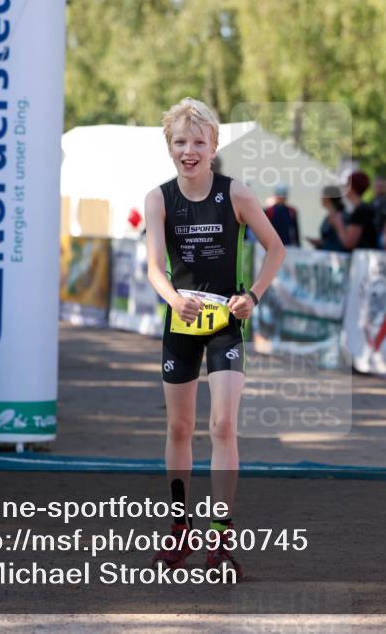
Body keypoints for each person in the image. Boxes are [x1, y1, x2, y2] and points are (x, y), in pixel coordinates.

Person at [143, 98, 286, 579]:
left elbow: (276, 248)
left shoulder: (236, 194)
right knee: (179, 428)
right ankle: (179, 529)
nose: (189, 151)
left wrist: (253, 296)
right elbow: (153, 268)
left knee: (223, 426)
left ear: (213, 147)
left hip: (226, 325)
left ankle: (220, 539)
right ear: (169, 147)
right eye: (180, 142)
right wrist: (172, 299)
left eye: (198, 142)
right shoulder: (159, 199)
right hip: (180, 325)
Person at [324, 170, 378, 251]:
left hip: (363, 256)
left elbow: (349, 243)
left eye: (347, 184)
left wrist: (338, 223)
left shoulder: (361, 211)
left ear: (351, 187)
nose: (344, 187)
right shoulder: (363, 209)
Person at [306, 186, 347, 251]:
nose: (321, 198)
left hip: (336, 253)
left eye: (323, 196)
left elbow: (341, 241)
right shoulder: (328, 216)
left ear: (328, 197)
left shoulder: (340, 216)